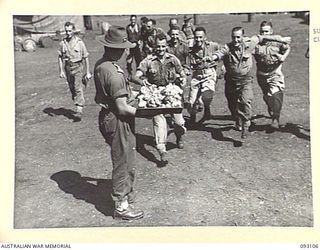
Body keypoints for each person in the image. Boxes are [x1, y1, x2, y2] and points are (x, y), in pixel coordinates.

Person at [94, 26, 144, 220]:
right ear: (116, 48)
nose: (125, 51)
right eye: (124, 47)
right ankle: (121, 207)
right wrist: (144, 112)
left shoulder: (103, 64)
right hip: (117, 119)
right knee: (123, 161)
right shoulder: (114, 73)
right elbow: (122, 107)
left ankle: (126, 195)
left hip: (108, 116)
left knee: (126, 157)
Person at [212, 26, 291, 138]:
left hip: (255, 77)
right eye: (234, 37)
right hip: (240, 78)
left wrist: (282, 43)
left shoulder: (255, 43)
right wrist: (215, 58)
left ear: (243, 37)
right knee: (233, 103)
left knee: (248, 100)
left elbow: (275, 42)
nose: (236, 40)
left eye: (238, 37)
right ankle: (238, 118)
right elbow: (222, 52)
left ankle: (251, 122)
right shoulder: (237, 46)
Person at [133, 34, 187, 162]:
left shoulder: (173, 59)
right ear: (154, 46)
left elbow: (182, 73)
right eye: (158, 46)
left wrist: (183, 79)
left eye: (163, 46)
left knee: (179, 123)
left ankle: (179, 136)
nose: (161, 49)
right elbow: (135, 76)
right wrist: (142, 82)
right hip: (155, 94)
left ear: (166, 46)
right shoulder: (149, 60)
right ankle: (162, 149)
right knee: (158, 120)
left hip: (171, 93)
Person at [253, 21, 291, 129]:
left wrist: (284, 57)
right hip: (261, 74)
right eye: (262, 31)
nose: (264, 34)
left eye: (267, 31)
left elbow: (287, 48)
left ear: (271, 31)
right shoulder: (256, 43)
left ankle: (275, 118)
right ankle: (270, 106)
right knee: (267, 96)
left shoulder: (277, 40)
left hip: (275, 71)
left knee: (276, 93)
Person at [186, 26, 220, 124]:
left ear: (205, 37)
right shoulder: (191, 49)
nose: (198, 39)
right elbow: (188, 63)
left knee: (207, 95)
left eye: (201, 37)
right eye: (196, 37)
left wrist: (222, 68)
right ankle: (192, 117)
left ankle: (206, 109)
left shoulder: (213, 46)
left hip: (209, 73)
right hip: (197, 75)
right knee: (192, 100)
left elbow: (223, 53)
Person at [58, 21, 91, 118]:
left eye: (70, 31)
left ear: (73, 31)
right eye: (66, 31)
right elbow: (60, 57)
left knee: (77, 87)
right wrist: (61, 71)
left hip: (78, 66)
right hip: (68, 67)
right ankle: (77, 99)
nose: (68, 33)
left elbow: (86, 57)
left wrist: (87, 71)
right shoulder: (62, 43)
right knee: (72, 88)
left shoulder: (79, 43)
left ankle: (79, 108)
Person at [126, 15, 142, 79]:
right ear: (130, 20)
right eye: (132, 20)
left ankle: (138, 75)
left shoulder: (138, 27)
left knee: (138, 61)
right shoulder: (128, 27)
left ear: (136, 20)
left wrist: (139, 41)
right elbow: (127, 36)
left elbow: (140, 36)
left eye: (134, 20)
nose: (133, 21)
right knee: (129, 61)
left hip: (137, 46)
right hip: (130, 46)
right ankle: (129, 74)